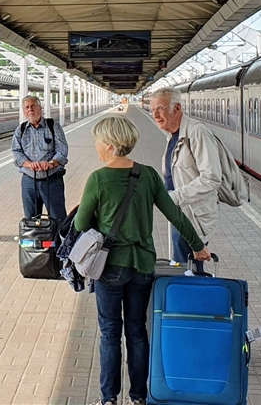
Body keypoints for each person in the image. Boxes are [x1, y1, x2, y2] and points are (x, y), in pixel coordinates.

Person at [75, 116, 211, 405]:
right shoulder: (147, 175)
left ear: (110, 145)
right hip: (142, 267)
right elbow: (175, 214)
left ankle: (109, 398)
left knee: (110, 333)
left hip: (110, 267)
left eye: (98, 141)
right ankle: (138, 397)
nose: (96, 146)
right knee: (137, 331)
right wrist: (198, 247)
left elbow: (80, 224)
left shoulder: (98, 179)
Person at [149, 87, 222, 274]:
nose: (155, 115)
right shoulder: (173, 136)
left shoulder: (196, 133)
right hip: (179, 213)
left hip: (192, 215)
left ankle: (193, 292)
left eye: (160, 109)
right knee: (183, 267)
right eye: (152, 110)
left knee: (186, 270)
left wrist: (173, 197)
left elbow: (212, 177)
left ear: (177, 108)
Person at [11, 96, 69, 221]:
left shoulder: (53, 126)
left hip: (52, 180)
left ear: (40, 108)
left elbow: (62, 150)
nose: (30, 109)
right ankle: (34, 235)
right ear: (23, 111)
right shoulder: (20, 130)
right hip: (29, 181)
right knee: (31, 219)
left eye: (33, 106)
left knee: (58, 217)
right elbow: (16, 152)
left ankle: (58, 234)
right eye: (27, 107)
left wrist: (51, 163)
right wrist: (29, 164)